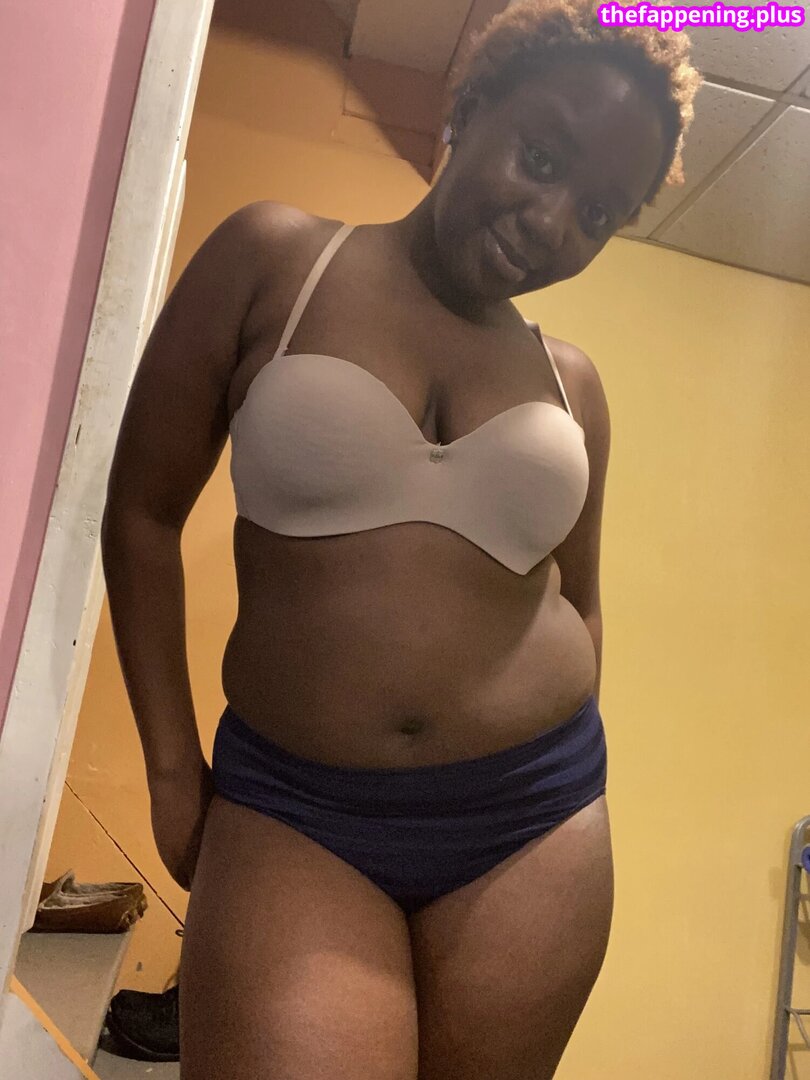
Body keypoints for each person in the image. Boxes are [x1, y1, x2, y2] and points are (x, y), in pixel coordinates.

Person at [101, 1, 701, 1076]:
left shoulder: (574, 387)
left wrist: (559, 753)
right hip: (297, 808)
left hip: (535, 818)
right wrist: (173, 771)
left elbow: (579, 599)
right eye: (541, 157)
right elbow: (142, 515)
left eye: (598, 212)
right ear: (470, 105)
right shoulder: (274, 261)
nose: (553, 222)